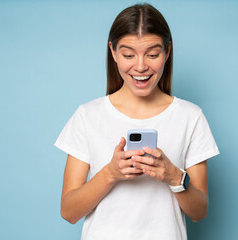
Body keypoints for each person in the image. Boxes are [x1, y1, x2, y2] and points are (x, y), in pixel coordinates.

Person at [54, 3, 219, 240]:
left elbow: (199, 211)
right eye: (128, 55)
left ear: (167, 51)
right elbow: (69, 212)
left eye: (152, 54)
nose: (141, 66)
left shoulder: (190, 117)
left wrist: (173, 176)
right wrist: (110, 173)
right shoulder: (87, 116)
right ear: (112, 52)